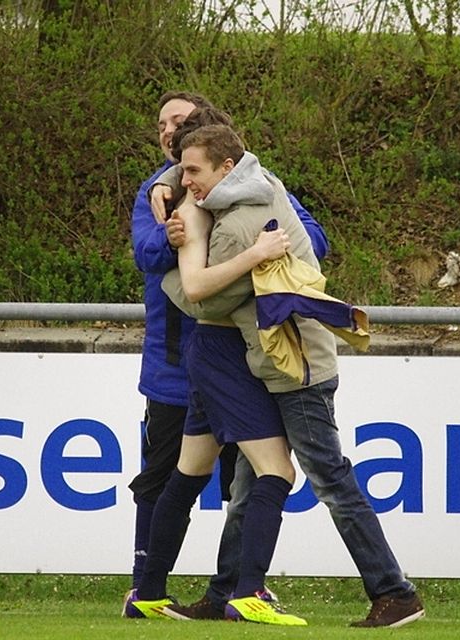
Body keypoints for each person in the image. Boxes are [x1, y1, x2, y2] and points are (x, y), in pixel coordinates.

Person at [157, 124, 425, 628]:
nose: (186, 180)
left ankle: (395, 592)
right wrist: (166, 184)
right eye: (184, 170)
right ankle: (226, 593)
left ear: (226, 169)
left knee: (329, 478)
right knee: (251, 480)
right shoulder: (264, 183)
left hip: (294, 369)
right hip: (276, 363)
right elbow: (198, 169)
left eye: (194, 172)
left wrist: (174, 271)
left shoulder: (238, 228)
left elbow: (206, 299)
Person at [127, 91, 328, 589]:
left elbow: (313, 241)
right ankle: (230, 590)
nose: (169, 130)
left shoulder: (257, 189)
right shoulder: (164, 194)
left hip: (236, 352)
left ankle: (196, 590)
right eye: (163, 125)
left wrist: (264, 240)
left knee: (218, 477)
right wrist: (169, 232)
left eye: (181, 121)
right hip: (183, 361)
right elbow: (154, 261)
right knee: (197, 475)